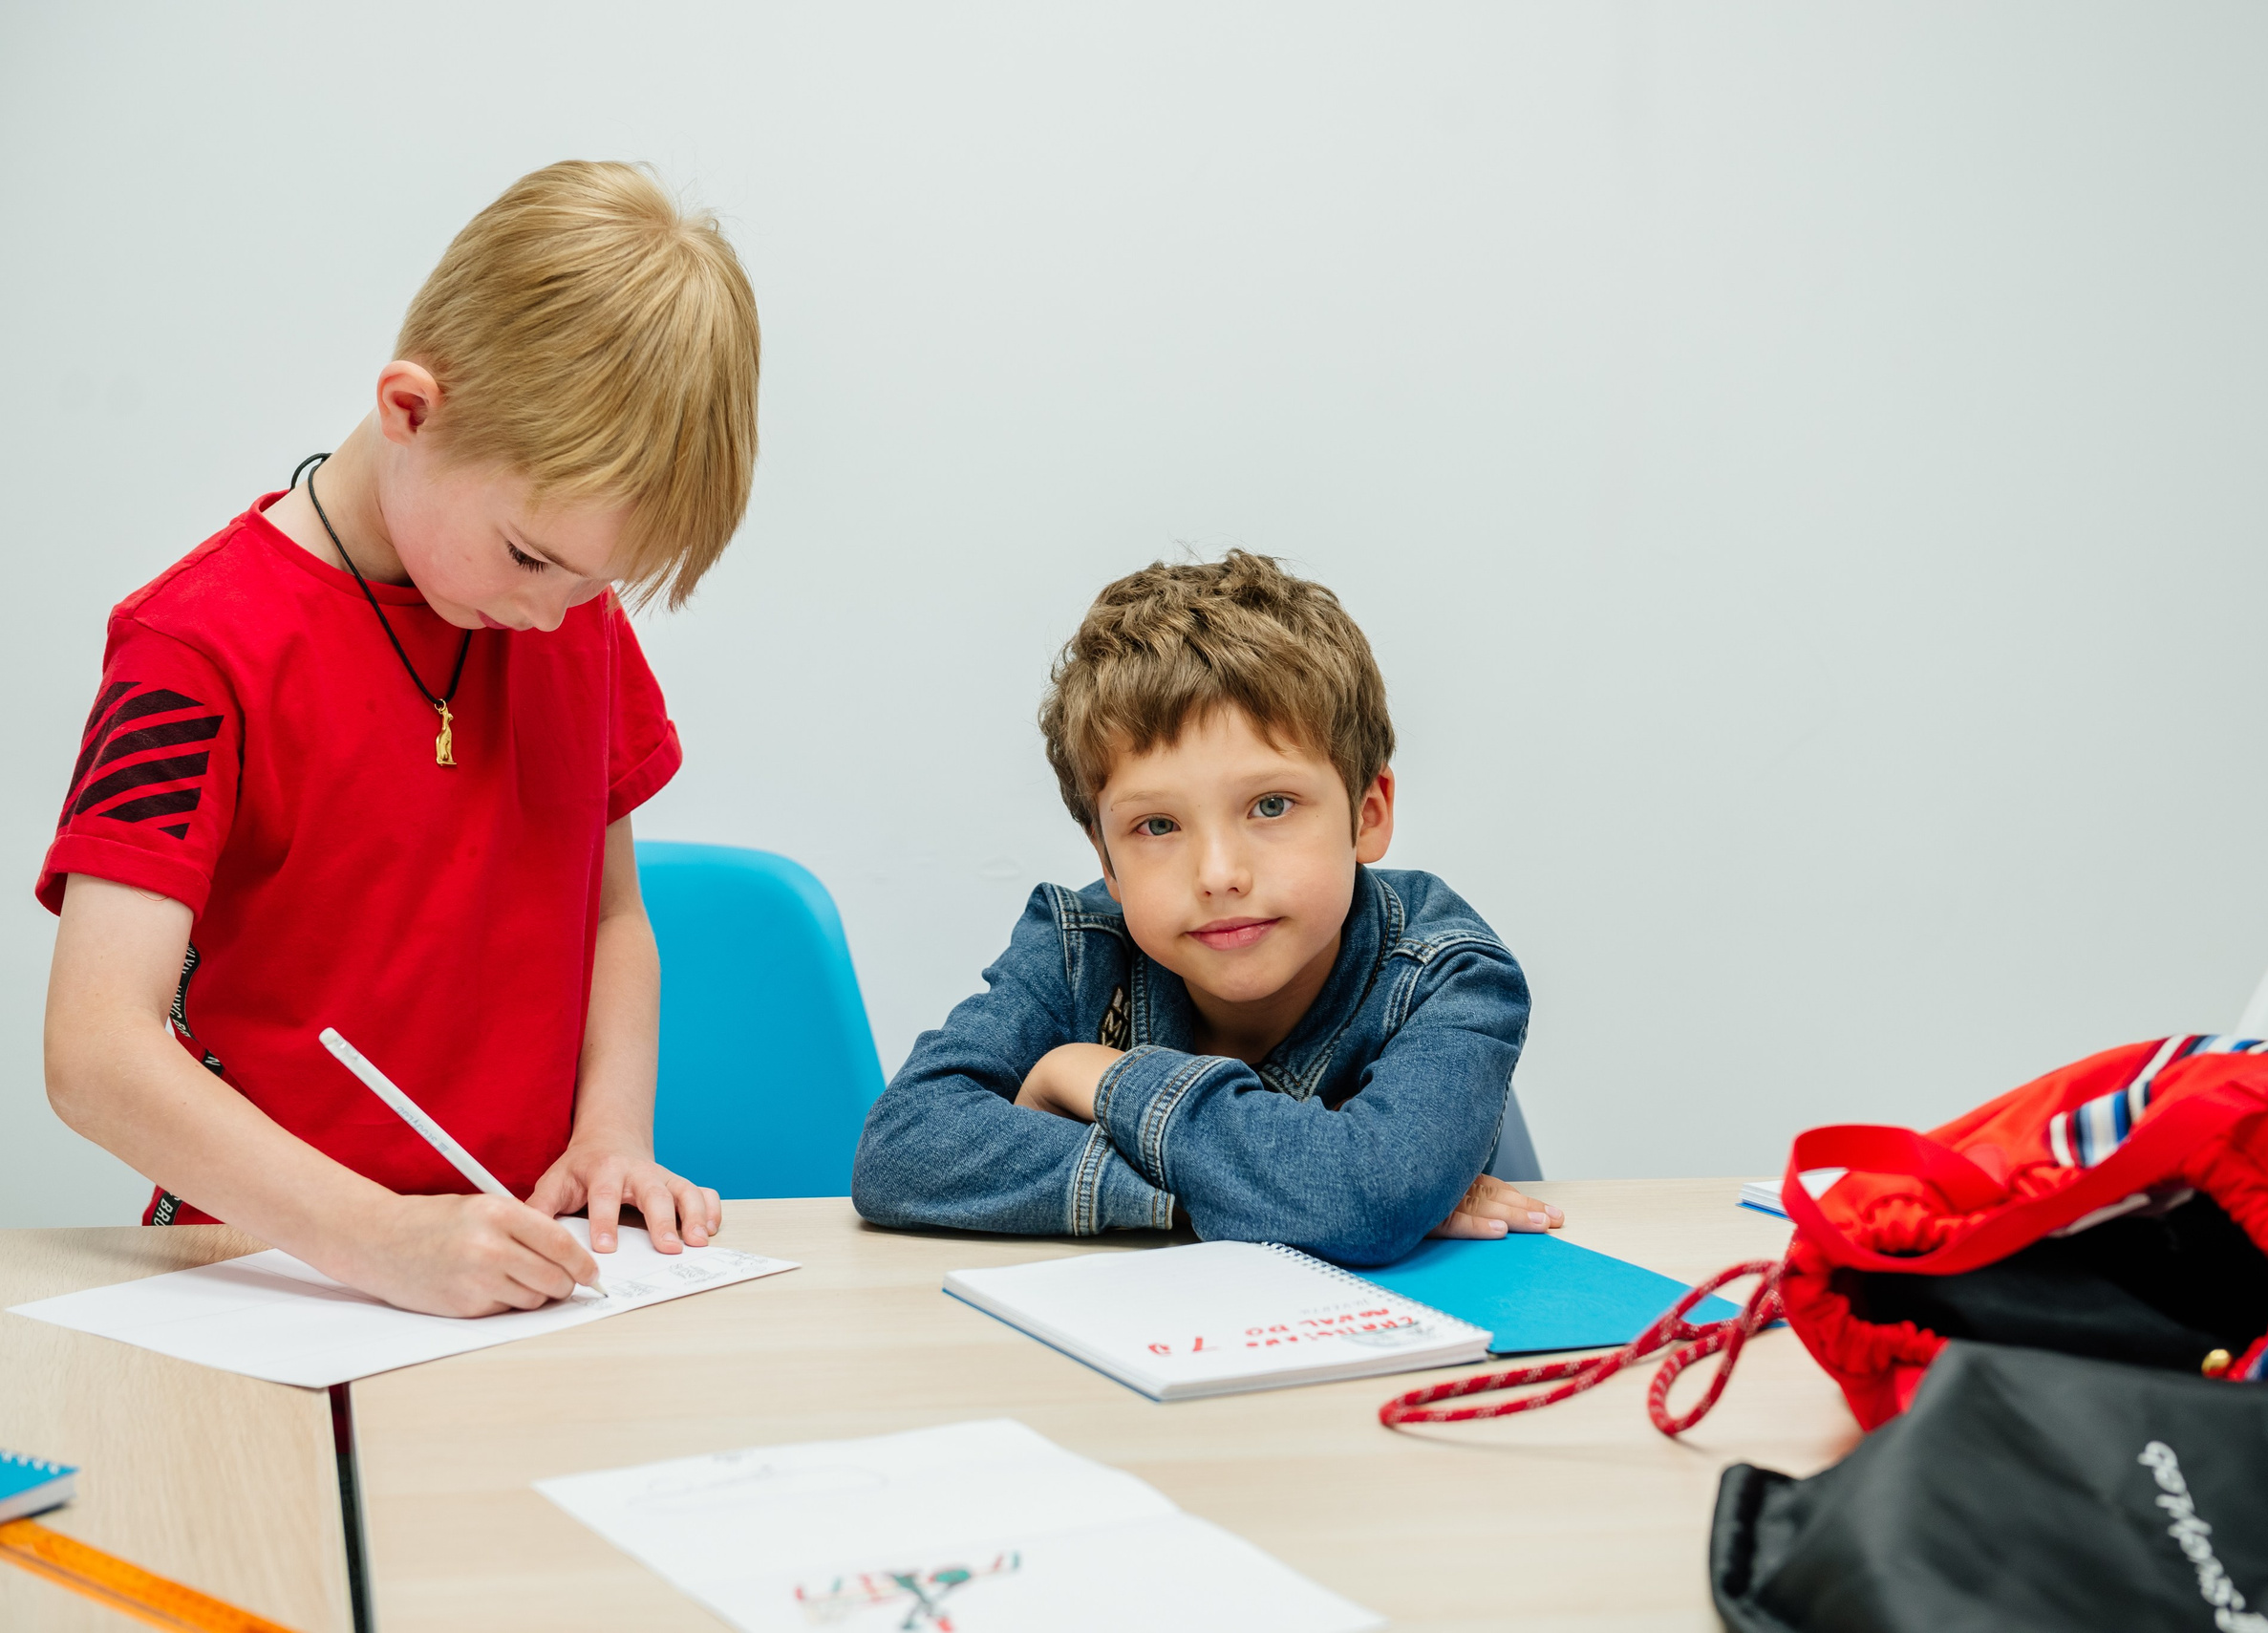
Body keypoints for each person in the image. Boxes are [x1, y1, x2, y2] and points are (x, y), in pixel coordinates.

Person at [39, 161, 760, 1317]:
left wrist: (611, 1133)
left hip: (516, 1276)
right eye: (530, 557)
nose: (551, 613)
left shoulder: (570, 618)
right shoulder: (190, 649)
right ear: (410, 411)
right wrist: (374, 1237)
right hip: (259, 1279)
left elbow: (614, 915)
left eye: (595, 580)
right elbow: (93, 1050)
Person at [852, 550, 1552, 1265]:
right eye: (1157, 825)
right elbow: (901, 1150)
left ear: (1367, 814)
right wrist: (1276, 1189)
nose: (1218, 875)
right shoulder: (1079, 946)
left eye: (1271, 805)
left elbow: (1366, 1198)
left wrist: (1089, 1074)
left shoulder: (1452, 972)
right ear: (1107, 862)